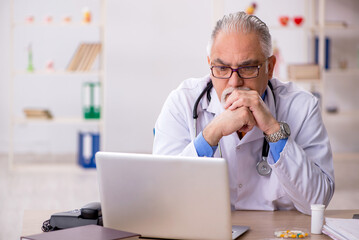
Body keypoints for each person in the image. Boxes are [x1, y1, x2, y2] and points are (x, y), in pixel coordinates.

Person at [152, 11, 334, 215]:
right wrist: (211, 133)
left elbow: (317, 202)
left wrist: (273, 130)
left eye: (247, 68)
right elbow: (164, 195)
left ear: (270, 67)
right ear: (210, 63)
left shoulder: (302, 106)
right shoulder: (182, 102)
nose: (234, 82)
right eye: (221, 68)